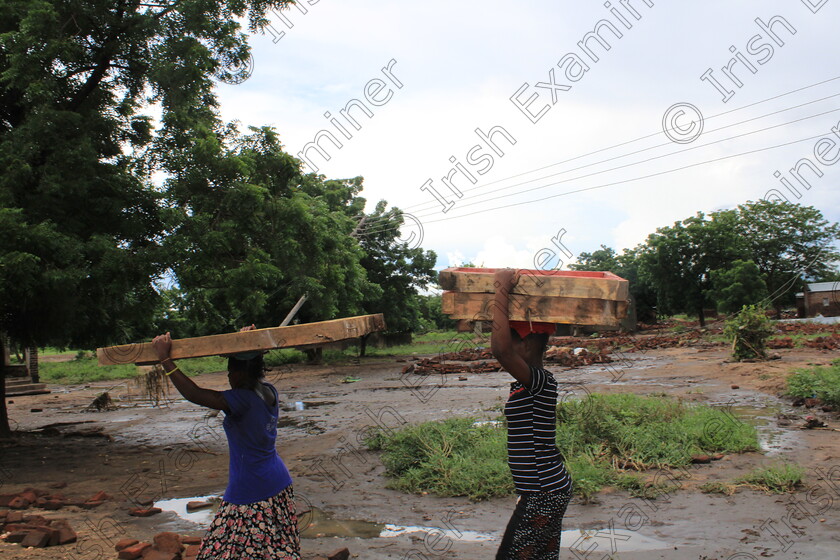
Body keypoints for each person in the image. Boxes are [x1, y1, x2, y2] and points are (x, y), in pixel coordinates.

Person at [151, 326, 300, 560]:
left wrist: (165, 359)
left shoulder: (242, 399)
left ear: (240, 372)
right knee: (271, 550)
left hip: (251, 488)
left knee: (220, 551)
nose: (228, 377)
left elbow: (195, 394)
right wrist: (244, 342)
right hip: (278, 481)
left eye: (230, 370)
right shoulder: (268, 392)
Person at [490, 269, 573, 560]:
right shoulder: (531, 383)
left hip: (543, 493)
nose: (506, 348)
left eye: (512, 341)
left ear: (524, 345)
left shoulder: (539, 382)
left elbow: (499, 351)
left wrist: (501, 290)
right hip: (544, 490)